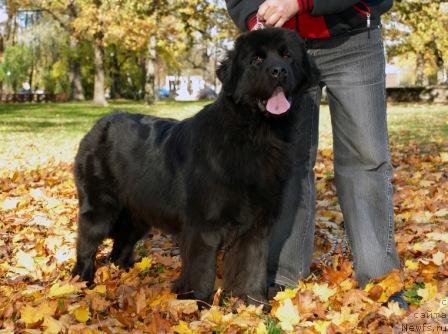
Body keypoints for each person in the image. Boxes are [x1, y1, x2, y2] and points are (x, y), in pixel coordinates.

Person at [225, 0, 405, 304]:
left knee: (365, 160)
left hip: (352, 38)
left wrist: (299, 2)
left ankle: (380, 280)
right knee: (287, 163)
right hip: (280, 47)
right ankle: (282, 275)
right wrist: (255, 17)